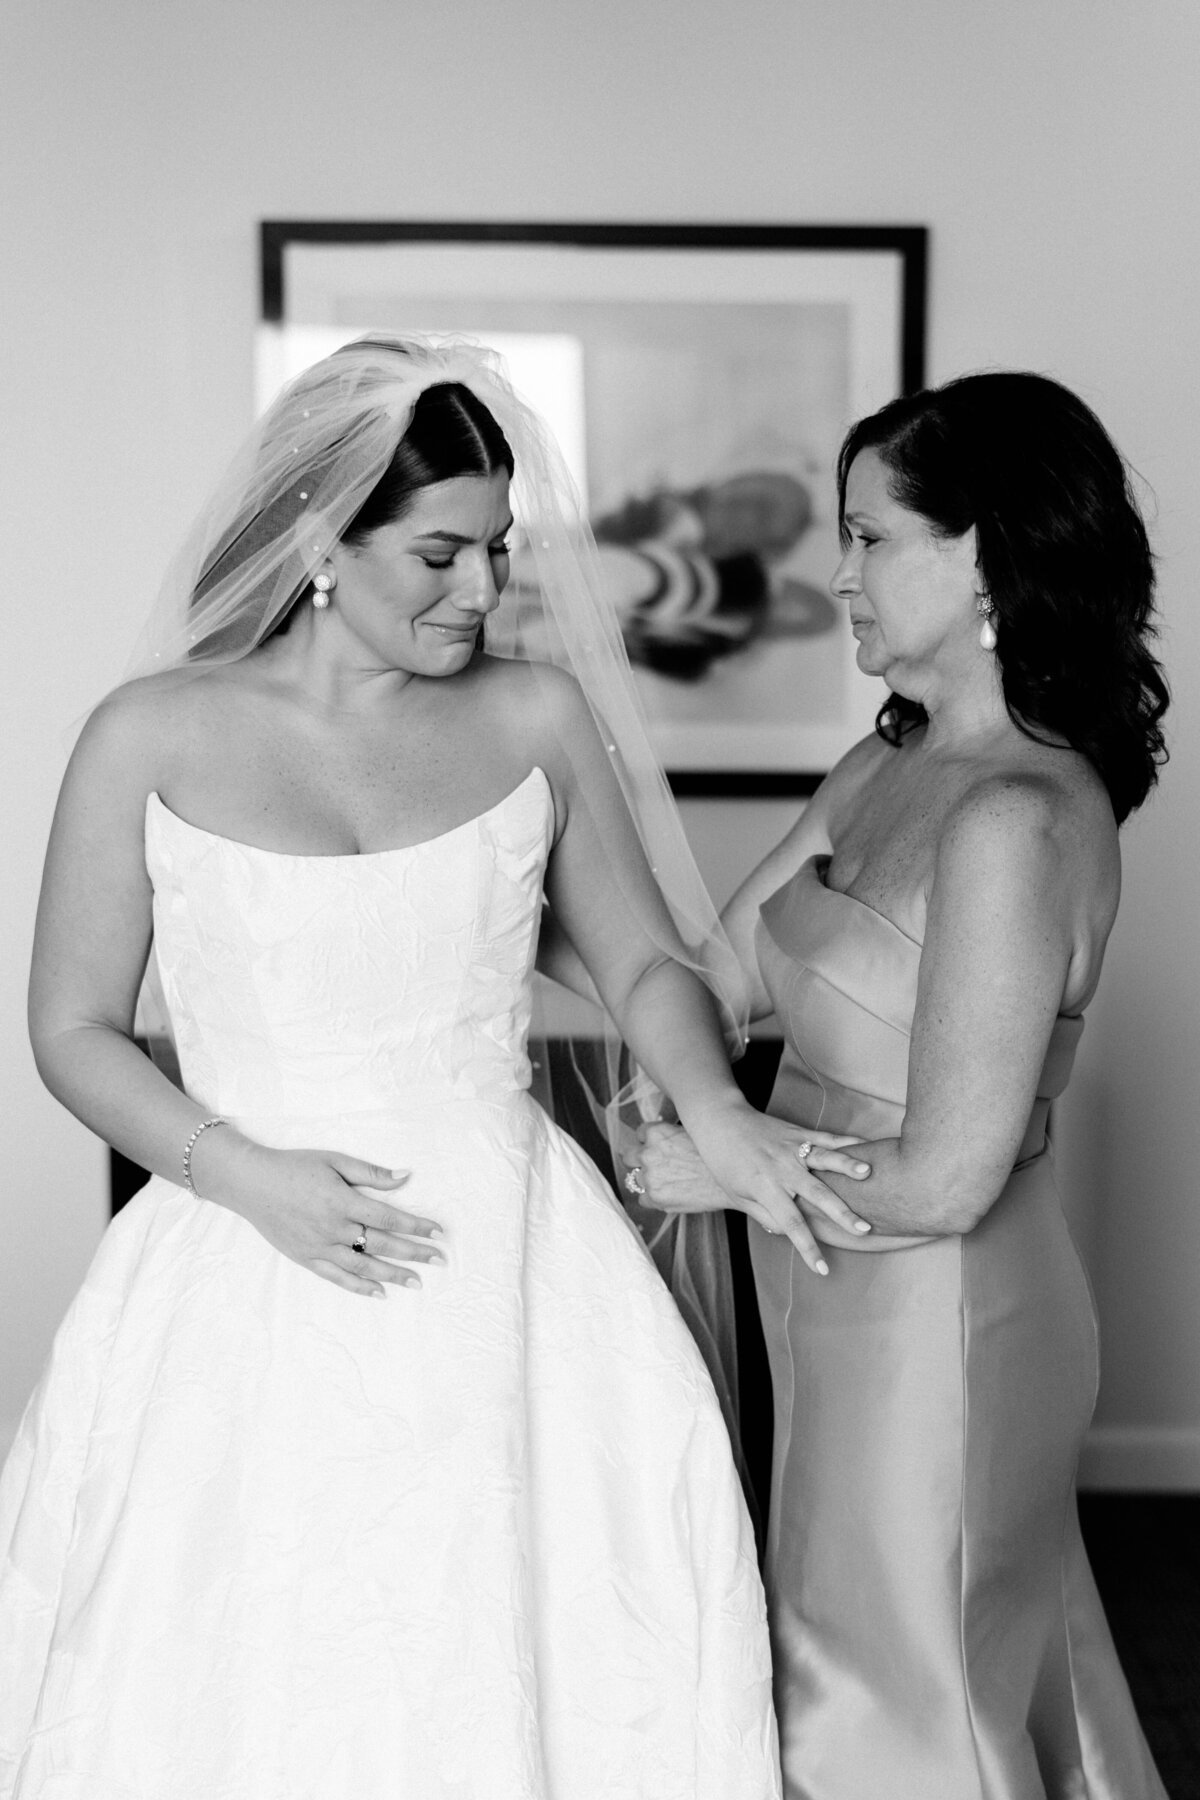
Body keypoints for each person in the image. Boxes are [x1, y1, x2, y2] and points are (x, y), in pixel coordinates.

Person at [0, 336, 876, 1799]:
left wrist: (720, 1115)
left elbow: (645, 967)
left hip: (510, 1266)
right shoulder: (147, 736)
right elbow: (70, 1028)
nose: (482, 591)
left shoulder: (534, 717)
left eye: (498, 551)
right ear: (318, 543)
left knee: (532, 1643)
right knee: (242, 1658)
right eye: (440, 554)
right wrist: (248, 1178)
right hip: (245, 1252)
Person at [633, 372, 1170, 1799]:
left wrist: (719, 1158)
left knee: (903, 1691)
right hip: (827, 1282)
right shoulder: (887, 765)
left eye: (870, 538)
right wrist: (504, 883)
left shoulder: (1014, 816)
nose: (840, 575)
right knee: (854, 1657)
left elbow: (946, 1179)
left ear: (987, 555)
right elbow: (713, 975)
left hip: (946, 1319)